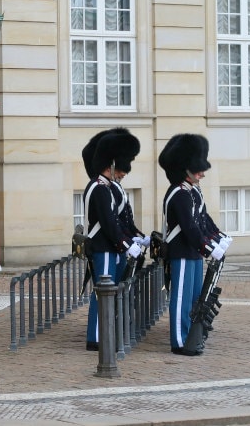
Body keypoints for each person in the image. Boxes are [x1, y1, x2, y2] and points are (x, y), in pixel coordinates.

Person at [158, 133, 231, 356]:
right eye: (197, 168)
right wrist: (208, 248)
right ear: (185, 168)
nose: (201, 173)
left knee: (194, 297)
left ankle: (190, 333)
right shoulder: (179, 193)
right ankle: (179, 341)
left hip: (192, 251)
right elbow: (189, 227)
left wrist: (218, 237)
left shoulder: (192, 191)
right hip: (181, 251)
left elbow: (203, 219)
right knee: (181, 298)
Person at [81, 127, 144, 351]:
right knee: (102, 293)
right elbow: (108, 223)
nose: (122, 174)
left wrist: (134, 239)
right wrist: (126, 244)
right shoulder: (98, 188)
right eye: (120, 169)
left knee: (111, 291)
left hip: (111, 248)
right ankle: (96, 337)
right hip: (103, 248)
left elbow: (118, 222)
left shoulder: (106, 187)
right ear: (111, 164)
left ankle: (105, 332)